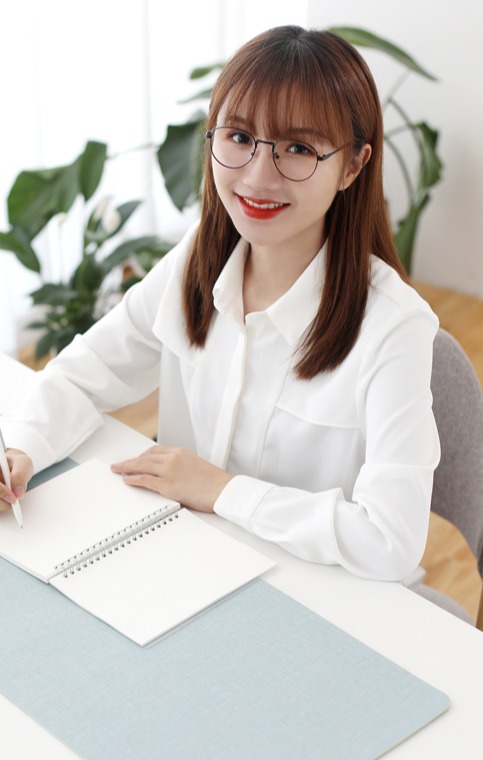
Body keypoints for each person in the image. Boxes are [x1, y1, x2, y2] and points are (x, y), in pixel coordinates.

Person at [0, 25, 440, 581]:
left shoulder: (393, 326)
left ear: (352, 166)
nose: (258, 175)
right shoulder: (198, 259)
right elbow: (85, 373)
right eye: (237, 137)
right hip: (187, 567)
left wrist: (222, 490)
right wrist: (22, 450)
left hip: (322, 598)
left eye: (298, 148)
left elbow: (390, 540)